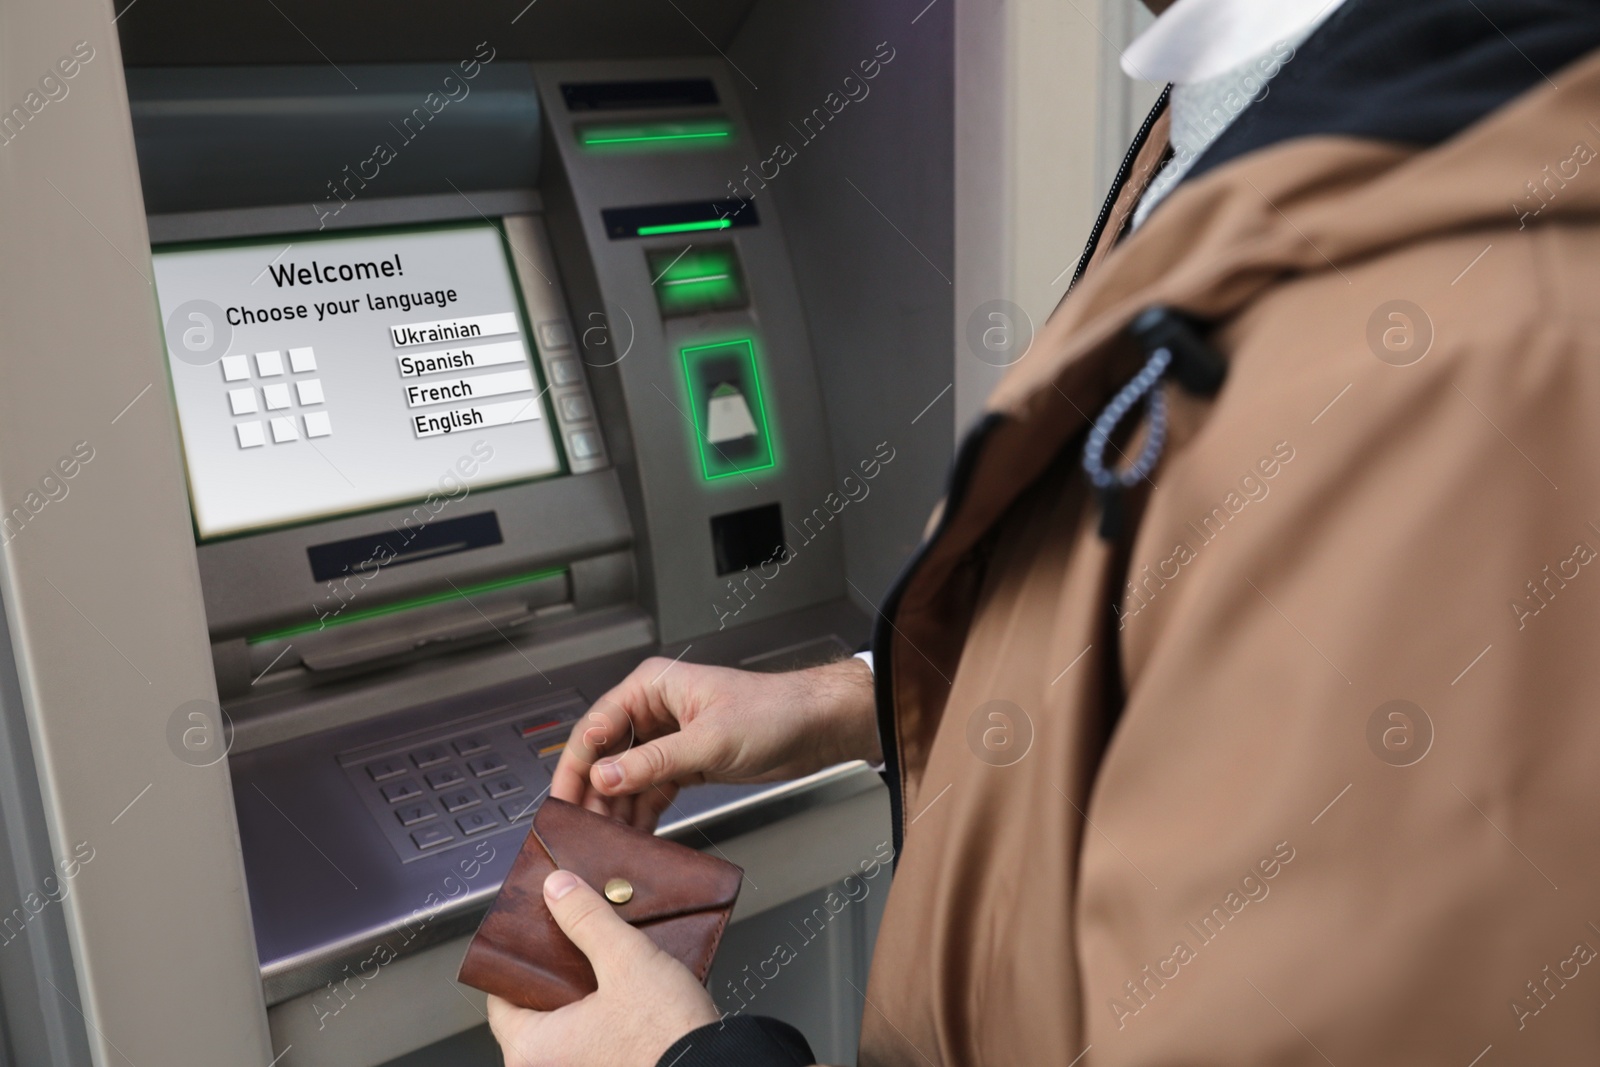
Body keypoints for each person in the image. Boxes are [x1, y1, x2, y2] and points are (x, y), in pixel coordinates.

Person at [489, 0, 1600, 1062]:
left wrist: (687, 1059)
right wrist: (871, 694)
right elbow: (1201, 645)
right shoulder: (1261, 111)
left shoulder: (1483, 332)